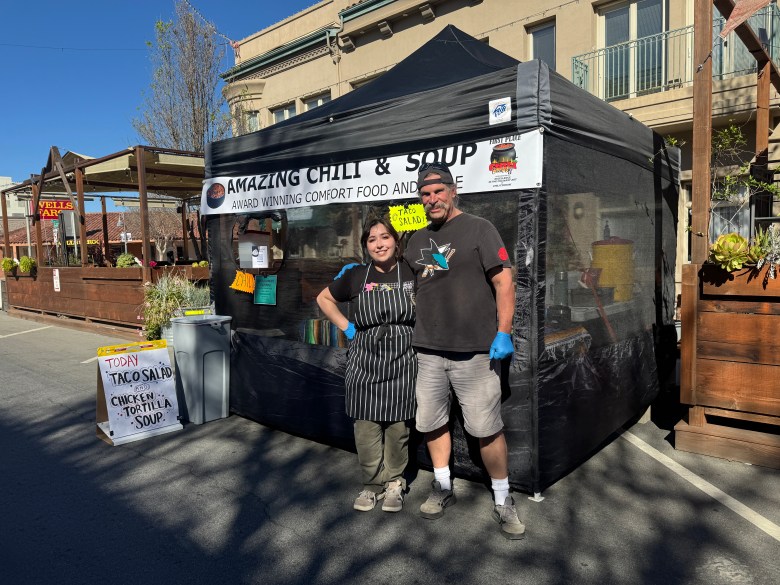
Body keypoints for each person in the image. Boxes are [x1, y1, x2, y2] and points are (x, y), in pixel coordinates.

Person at [406, 161, 525, 539]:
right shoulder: (415, 239)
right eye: (425, 194)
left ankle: (503, 498)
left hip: (475, 353)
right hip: (428, 352)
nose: (432, 199)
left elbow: (505, 283)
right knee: (432, 423)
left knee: (486, 429)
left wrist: (503, 333)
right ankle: (443, 486)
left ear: (453, 191)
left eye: (438, 191)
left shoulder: (480, 228)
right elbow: (411, 288)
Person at [317, 217, 417, 513]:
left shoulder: (411, 271)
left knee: (398, 427)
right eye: (372, 240)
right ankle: (372, 484)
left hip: (403, 357)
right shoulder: (356, 275)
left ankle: (395, 482)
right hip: (365, 358)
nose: (379, 244)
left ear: (396, 241)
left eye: (385, 237)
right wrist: (347, 326)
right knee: (365, 426)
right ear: (366, 246)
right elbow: (324, 299)